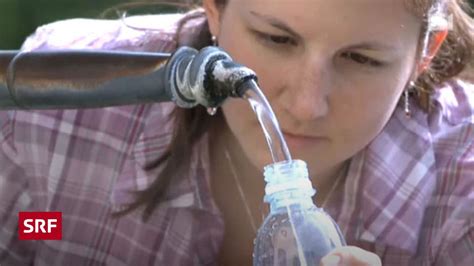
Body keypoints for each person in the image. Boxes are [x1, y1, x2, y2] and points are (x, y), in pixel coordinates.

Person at [1, 0, 473, 265]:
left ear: (424, 54)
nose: (306, 105)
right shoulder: (59, 102)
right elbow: (35, 230)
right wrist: (54, 222)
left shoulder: (462, 201)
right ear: (215, 9)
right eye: (277, 39)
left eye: (361, 59)